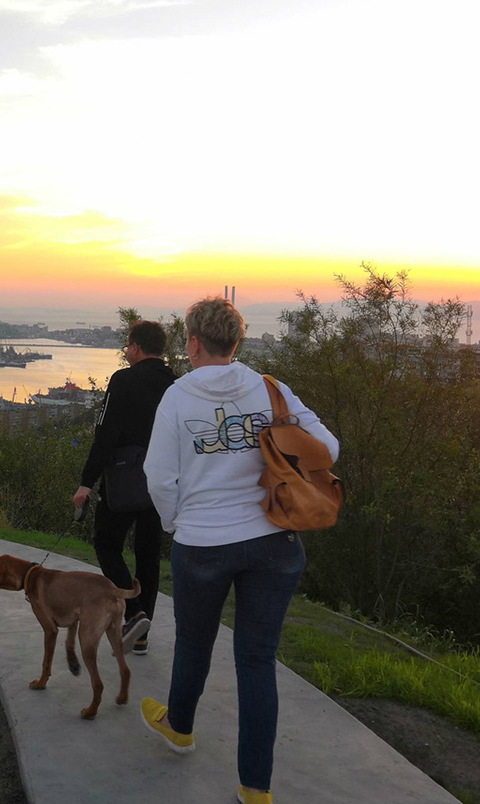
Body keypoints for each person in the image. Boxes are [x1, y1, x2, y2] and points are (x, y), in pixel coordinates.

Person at [139, 297, 339, 804]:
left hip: (203, 544)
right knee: (256, 661)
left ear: (192, 343)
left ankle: (179, 727)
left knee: (194, 643)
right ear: (236, 342)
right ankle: (255, 788)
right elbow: (328, 449)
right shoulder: (269, 388)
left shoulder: (179, 397)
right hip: (274, 542)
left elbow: (159, 478)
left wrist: (176, 524)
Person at [72, 319, 174, 656]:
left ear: (135, 347)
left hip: (125, 479)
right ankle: (141, 636)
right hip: (162, 483)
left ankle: (134, 612)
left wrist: (87, 482)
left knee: (106, 542)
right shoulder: (176, 384)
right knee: (148, 554)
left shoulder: (124, 380)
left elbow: (105, 435)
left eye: (128, 346)